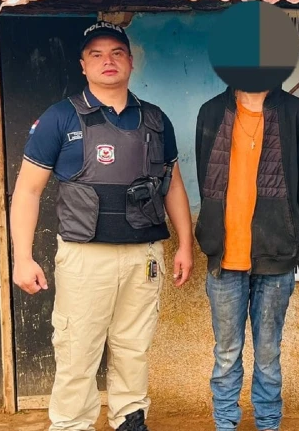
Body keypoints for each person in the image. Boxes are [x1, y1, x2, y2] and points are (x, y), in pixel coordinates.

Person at [11, 21, 194, 431]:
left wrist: (185, 244)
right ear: (82, 64)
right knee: (78, 349)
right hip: (85, 256)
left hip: (143, 255)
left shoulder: (156, 120)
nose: (107, 61)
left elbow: (173, 185)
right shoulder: (60, 118)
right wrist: (22, 258)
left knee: (134, 345)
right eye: (96, 54)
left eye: (116, 52)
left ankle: (130, 418)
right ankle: (72, 424)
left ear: (131, 61)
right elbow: (26, 191)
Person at [193, 85, 299, 431]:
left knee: (268, 354)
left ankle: (267, 423)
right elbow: (207, 179)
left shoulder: (297, 114)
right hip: (224, 258)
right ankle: (225, 423)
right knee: (226, 353)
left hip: (275, 257)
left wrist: (285, 225)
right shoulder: (212, 111)